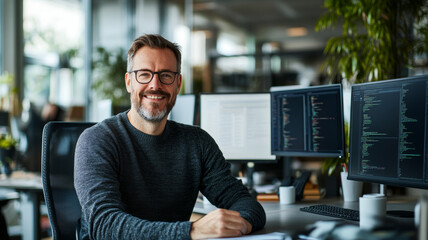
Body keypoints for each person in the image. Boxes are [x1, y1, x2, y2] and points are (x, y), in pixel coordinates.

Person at [74, 34, 266, 239]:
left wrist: (241, 223)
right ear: (129, 82)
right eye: (144, 74)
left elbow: (244, 202)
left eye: (166, 75)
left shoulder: (197, 143)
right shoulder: (97, 141)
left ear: (178, 84)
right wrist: (191, 231)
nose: (155, 85)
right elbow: (105, 226)